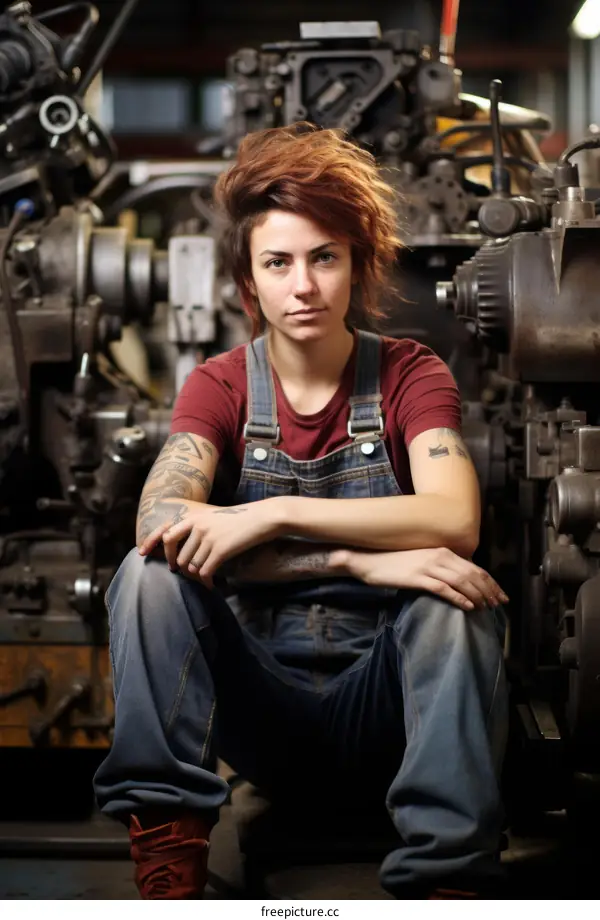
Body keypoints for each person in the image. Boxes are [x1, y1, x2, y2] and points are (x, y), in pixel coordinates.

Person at [93, 123, 509, 900]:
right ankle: (171, 860)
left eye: (324, 258)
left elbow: (453, 519)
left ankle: (448, 881)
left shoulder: (410, 376)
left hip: (386, 701)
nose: (304, 286)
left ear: (359, 266)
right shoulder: (219, 386)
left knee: (456, 598)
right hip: (260, 709)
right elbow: (159, 528)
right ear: (250, 284)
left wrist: (268, 515)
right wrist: (359, 555)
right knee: (147, 578)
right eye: (278, 263)